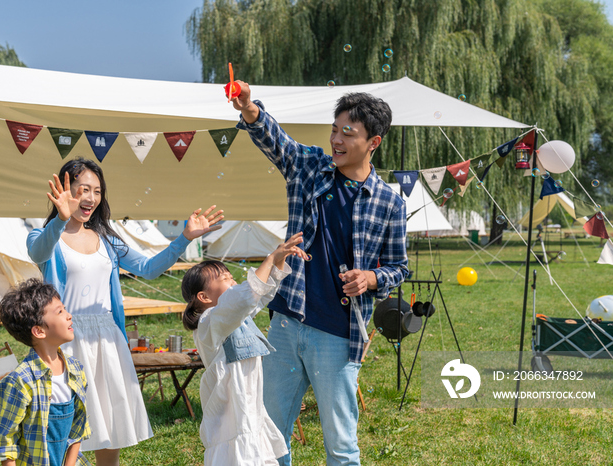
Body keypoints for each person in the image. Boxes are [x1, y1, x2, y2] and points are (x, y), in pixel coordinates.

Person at [231, 82, 409, 465]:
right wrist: (250, 109)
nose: (336, 139)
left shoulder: (390, 202)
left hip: (339, 335)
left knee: (342, 448)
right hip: (287, 322)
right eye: (334, 129)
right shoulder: (311, 168)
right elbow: (275, 140)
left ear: (373, 142)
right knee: (269, 437)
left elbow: (399, 267)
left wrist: (371, 279)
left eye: (348, 133)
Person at [27, 157, 223, 466]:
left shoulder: (107, 239)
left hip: (108, 340)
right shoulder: (46, 238)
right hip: (68, 341)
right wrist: (59, 221)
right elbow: (38, 253)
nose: (90, 198)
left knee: (111, 425)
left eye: (97, 190)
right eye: (82, 189)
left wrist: (185, 237)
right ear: (64, 191)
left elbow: (148, 268)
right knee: (67, 426)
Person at [181, 232, 307, 466]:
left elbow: (260, 295)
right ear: (204, 297)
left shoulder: (233, 315)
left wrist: (279, 260)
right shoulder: (210, 321)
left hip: (249, 403)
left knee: (253, 451)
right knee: (239, 454)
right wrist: (269, 259)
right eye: (225, 279)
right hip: (233, 409)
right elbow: (244, 297)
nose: (233, 281)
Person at [0, 278, 90, 466]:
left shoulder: (76, 370)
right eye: (60, 311)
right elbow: (6, 443)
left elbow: (79, 427)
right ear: (39, 331)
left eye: (65, 309)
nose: (69, 315)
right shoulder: (20, 382)